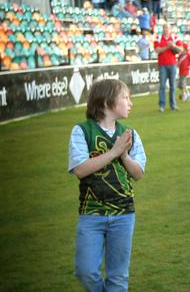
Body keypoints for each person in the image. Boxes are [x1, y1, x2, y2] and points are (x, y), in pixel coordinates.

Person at [68, 79, 146, 292]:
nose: (130, 103)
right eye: (125, 97)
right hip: (91, 214)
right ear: (106, 101)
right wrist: (113, 151)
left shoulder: (130, 133)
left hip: (124, 213)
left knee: (118, 277)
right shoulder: (82, 131)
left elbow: (138, 173)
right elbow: (80, 170)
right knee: (85, 271)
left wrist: (124, 154)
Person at [154, 23, 181, 112]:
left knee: (172, 85)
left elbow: (180, 49)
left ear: (170, 29)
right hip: (162, 65)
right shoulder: (158, 38)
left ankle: (173, 105)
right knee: (162, 86)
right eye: (164, 27)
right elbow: (157, 50)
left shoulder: (175, 38)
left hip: (173, 64)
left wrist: (173, 46)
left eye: (167, 28)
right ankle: (162, 105)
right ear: (162, 28)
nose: (166, 29)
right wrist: (167, 47)